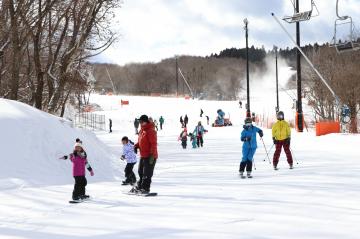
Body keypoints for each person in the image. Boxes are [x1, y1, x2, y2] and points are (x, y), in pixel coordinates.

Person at [132, 115, 158, 194]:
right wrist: (136, 146)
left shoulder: (150, 131)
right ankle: (140, 186)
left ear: (146, 122)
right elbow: (141, 141)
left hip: (150, 156)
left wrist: (152, 155)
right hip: (143, 155)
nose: (140, 123)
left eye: (141, 122)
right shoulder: (142, 130)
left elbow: (153, 144)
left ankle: (145, 188)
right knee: (140, 172)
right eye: (139, 122)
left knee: (147, 173)